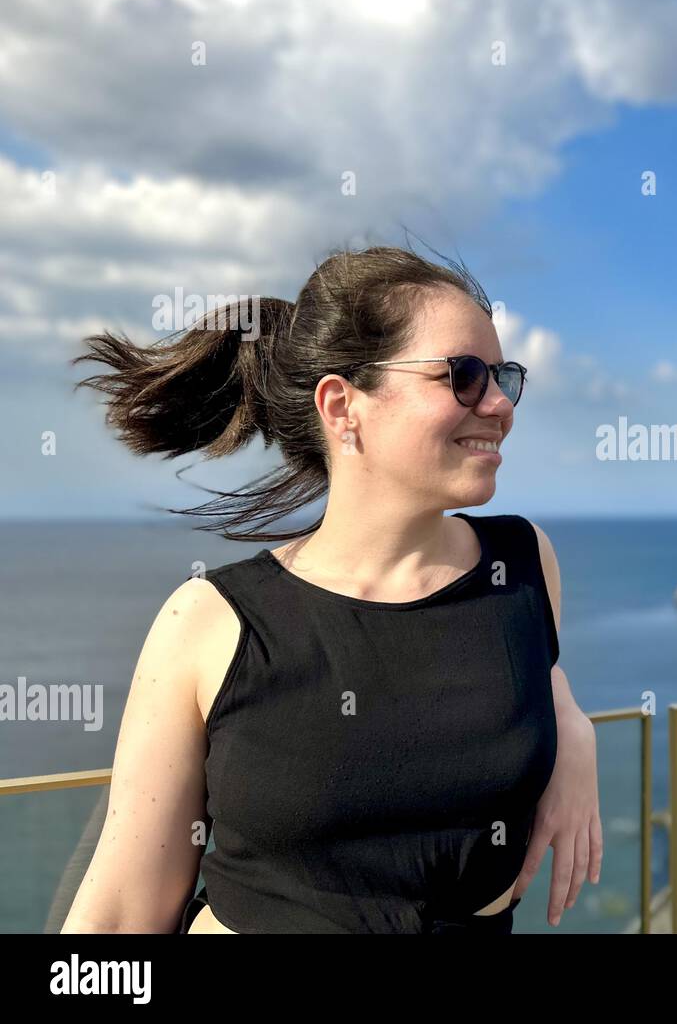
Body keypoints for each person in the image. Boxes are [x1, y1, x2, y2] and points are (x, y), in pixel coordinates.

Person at [58, 244, 601, 933]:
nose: (499, 404)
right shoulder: (211, 622)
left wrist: (576, 731)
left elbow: (523, 676)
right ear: (343, 406)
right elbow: (121, 915)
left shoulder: (522, 565)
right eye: (464, 375)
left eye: (503, 376)